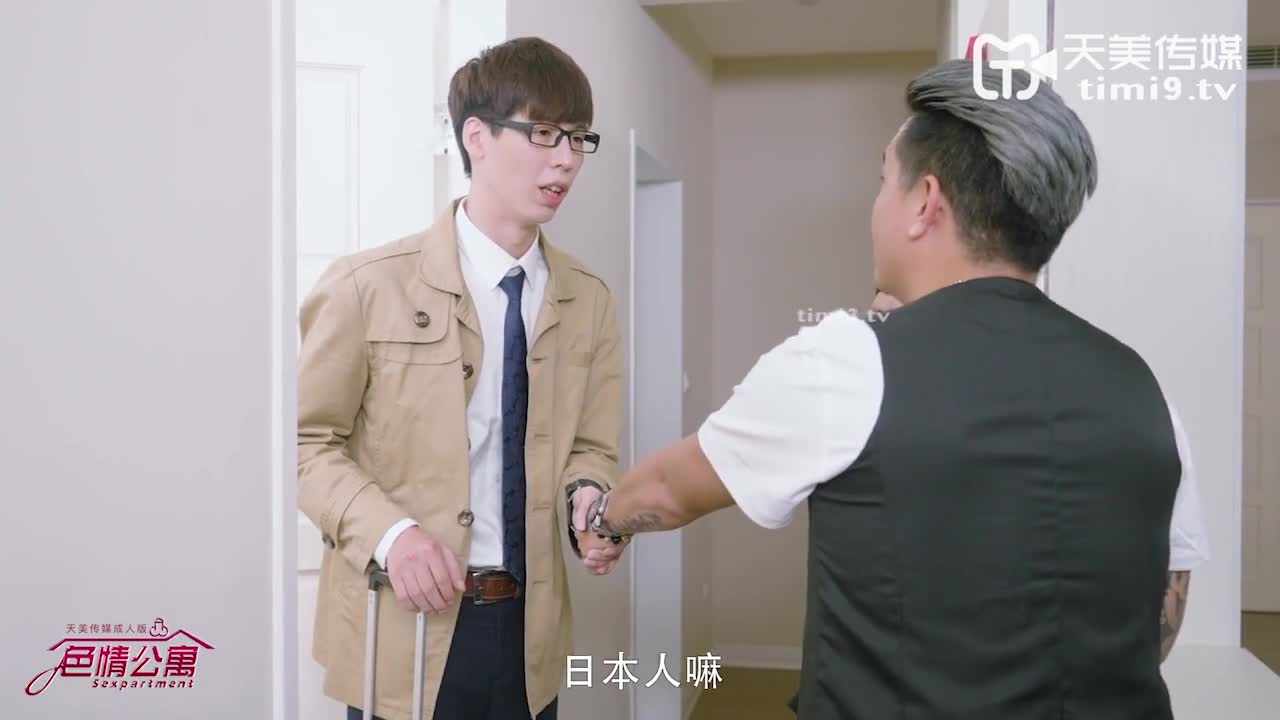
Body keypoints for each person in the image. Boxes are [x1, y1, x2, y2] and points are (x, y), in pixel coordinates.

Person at [584, 59, 1210, 719]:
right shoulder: (1140, 385)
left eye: (884, 180)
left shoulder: (848, 360)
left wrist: (603, 523)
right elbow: (1163, 612)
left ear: (925, 203)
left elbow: (667, 490)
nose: (877, 205)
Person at [297, 36, 627, 720]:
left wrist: (588, 500)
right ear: (477, 137)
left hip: (530, 634)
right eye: (543, 133)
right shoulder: (366, 286)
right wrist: (392, 535)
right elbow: (303, 445)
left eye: (577, 137)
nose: (566, 158)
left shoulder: (588, 298)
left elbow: (591, 448)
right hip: (403, 625)